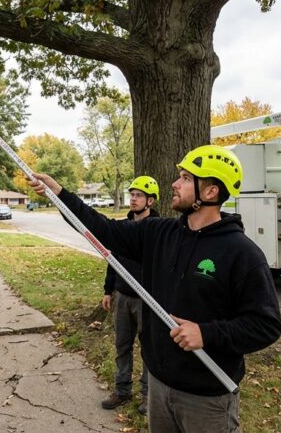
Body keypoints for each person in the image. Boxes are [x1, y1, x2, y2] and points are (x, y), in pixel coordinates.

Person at [29, 145, 281, 433]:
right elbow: (104, 229)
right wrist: (59, 194)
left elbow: (266, 325)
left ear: (210, 192)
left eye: (186, 178)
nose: (175, 183)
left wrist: (206, 333)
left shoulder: (242, 254)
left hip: (208, 395)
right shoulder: (159, 233)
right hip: (160, 386)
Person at [100, 176, 160, 414]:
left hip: (148, 300)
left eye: (138, 195)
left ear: (150, 201)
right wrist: (108, 290)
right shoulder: (122, 227)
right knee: (122, 345)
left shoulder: (158, 229)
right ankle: (122, 390)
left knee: (148, 348)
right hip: (123, 297)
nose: (133, 199)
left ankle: (148, 395)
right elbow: (111, 260)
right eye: (131, 194)